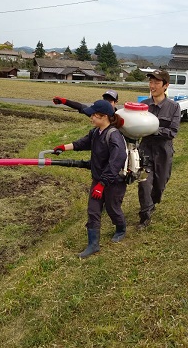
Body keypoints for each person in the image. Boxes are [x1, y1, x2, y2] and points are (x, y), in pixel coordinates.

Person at [53, 100, 127, 258]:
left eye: (94, 115)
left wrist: (103, 184)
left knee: (113, 210)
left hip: (113, 182)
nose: (91, 118)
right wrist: (63, 147)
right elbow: (82, 143)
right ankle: (93, 245)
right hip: (98, 179)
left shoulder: (114, 136)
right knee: (93, 211)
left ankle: (121, 229)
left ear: (104, 117)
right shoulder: (96, 132)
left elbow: (117, 162)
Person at [136, 69, 181, 230]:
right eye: (151, 82)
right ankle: (145, 216)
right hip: (145, 150)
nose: (152, 85)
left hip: (163, 151)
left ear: (165, 85)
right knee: (144, 183)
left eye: (156, 82)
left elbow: (172, 132)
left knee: (160, 185)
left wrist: (154, 129)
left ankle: (153, 202)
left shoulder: (174, 107)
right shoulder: (143, 106)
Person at [52, 90, 118, 115]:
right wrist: (64, 101)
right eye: (105, 100)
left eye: (110, 101)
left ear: (116, 102)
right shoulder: (97, 114)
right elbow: (81, 107)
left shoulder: (119, 117)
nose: (107, 103)